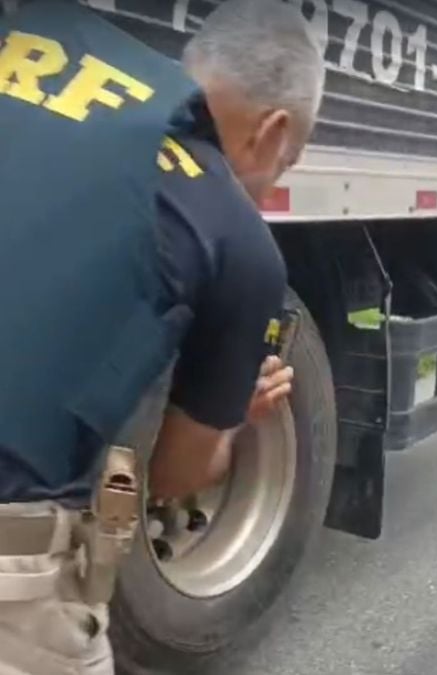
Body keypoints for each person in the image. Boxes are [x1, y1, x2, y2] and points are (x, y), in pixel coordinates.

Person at [0, 1, 325, 673]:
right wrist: (235, 412)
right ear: (272, 131)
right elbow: (175, 474)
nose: (265, 193)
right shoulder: (235, 236)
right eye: (284, 167)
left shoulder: (37, 55)